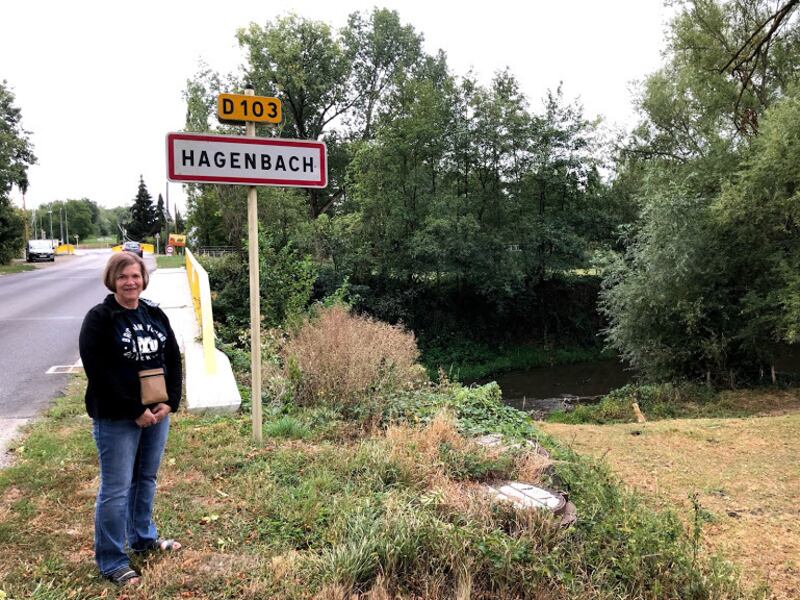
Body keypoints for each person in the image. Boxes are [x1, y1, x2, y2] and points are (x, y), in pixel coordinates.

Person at [79, 252, 182, 586]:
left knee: (146, 478)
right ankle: (111, 559)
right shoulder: (100, 318)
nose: (130, 282)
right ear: (113, 280)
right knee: (116, 488)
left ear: (143, 278)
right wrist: (132, 410)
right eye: (123, 276)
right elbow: (99, 371)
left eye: (135, 275)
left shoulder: (154, 313)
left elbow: (172, 358)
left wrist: (171, 402)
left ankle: (143, 538)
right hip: (117, 417)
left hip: (157, 411)